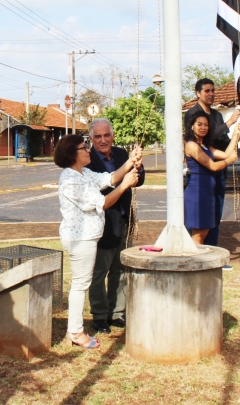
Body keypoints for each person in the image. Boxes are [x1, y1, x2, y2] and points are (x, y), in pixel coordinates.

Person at [54, 134, 139, 349]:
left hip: (87, 238)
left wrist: (130, 161)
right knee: (81, 284)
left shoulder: (83, 173)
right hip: (80, 239)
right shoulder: (71, 179)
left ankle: (75, 330)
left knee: (81, 283)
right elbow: (103, 202)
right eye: (84, 148)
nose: (89, 150)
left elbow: (109, 179)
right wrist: (125, 185)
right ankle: (75, 332)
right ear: (73, 154)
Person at [85, 118, 144, 334]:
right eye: (98, 137)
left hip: (124, 219)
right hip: (102, 222)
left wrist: (137, 164)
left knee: (120, 268)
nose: (103, 140)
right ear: (91, 139)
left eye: (106, 135)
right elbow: (97, 192)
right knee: (100, 271)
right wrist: (124, 180)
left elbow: (139, 178)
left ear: (113, 135)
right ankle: (100, 315)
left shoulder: (120, 154)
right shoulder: (87, 160)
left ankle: (116, 312)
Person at [185, 78, 240, 248]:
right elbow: (212, 161)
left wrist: (236, 135)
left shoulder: (216, 115)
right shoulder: (192, 114)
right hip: (201, 179)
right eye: (207, 91)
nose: (211, 94)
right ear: (198, 93)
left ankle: (211, 253)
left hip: (216, 174)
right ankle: (196, 259)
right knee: (197, 229)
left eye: (213, 90)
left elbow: (221, 145)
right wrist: (229, 122)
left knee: (213, 218)